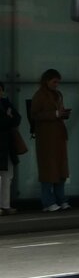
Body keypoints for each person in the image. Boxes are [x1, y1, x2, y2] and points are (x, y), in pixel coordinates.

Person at [31, 68, 70, 212]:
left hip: (58, 136)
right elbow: (35, 115)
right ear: (47, 81)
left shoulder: (57, 95)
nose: (56, 84)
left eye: (58, 82)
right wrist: (55, 114)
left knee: (60, 170)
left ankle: (61, 199)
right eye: (54, 82)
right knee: (48, 171)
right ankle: (48, 201)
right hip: (46, 138)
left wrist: (62, 114)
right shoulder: (40, 96)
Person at [0, 83, 22, 215]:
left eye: (1, 90)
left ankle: (5, 205)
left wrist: (9, 118)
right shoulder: (6, 105)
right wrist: (8, 117)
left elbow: (17, 119)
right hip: (2, 144)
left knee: (7, 176)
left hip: (7, 145)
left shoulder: (6, 103)